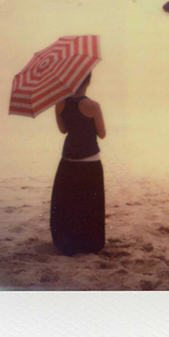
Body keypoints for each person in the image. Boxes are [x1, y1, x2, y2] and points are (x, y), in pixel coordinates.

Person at [50, 72, 106, 256]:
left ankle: (68, 243)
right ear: (89, 80)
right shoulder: (93, 106)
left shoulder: (61, 103)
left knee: (69, 202)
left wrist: (61, 112)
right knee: (89, 203)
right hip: (90, 160)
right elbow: (102, 133)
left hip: (69, 159)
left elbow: (63, 129)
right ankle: (88, 243)